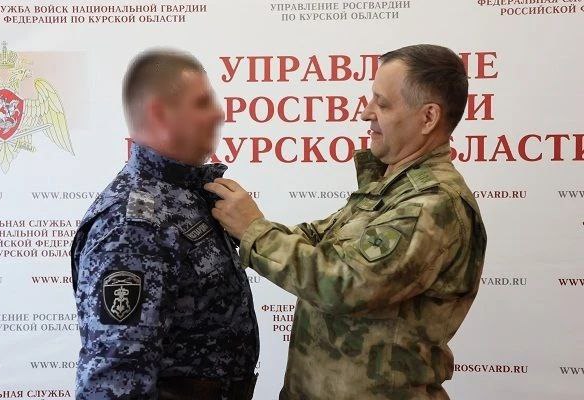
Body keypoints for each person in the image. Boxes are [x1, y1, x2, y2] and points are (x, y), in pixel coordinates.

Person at [205, 44, 487, 400]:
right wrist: (236, 223)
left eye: (382, 104)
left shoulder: (430, 204)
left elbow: (344, 282)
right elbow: (317, 240)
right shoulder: (390, 188)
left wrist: (253, 232)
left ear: (428, 117)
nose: (366, 112)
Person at [70, 49, 259, 400]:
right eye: (202, 103)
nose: (219, 113)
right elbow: (115, 382)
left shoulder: (184, 195)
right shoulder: (132, 225)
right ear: (160, 114)